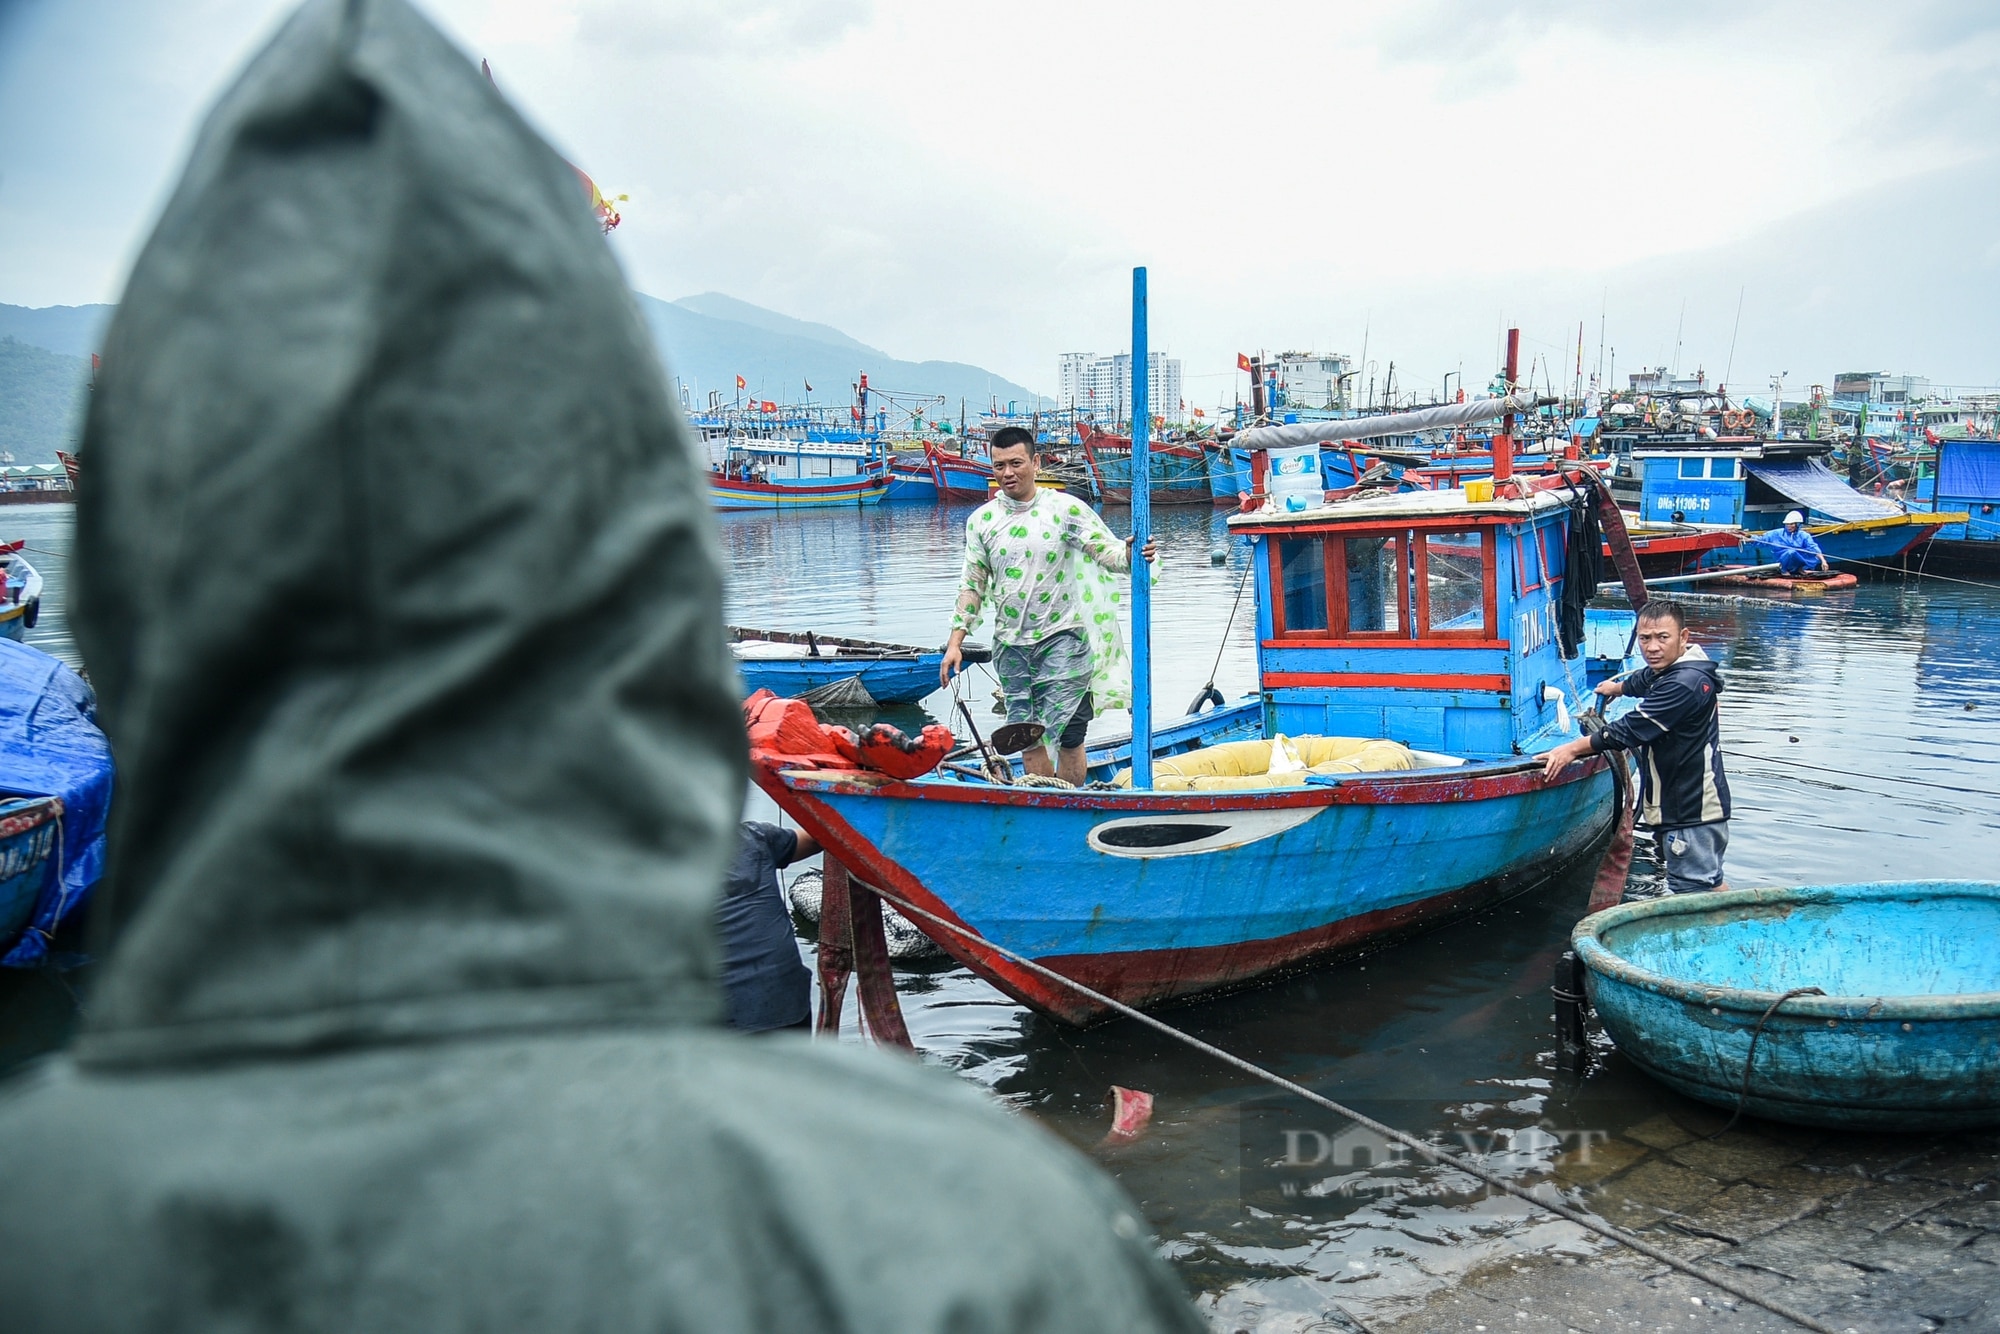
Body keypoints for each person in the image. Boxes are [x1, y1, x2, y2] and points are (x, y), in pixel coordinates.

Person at [0, 6, 1207, 1332]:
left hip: (1053, 653)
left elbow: (1100, 563)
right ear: (639, 586)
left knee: (1061, 751)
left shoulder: (37, 1226)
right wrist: (962, 638)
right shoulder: (963, 1236)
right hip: (951, 709)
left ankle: (1053, 791)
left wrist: (1093, 605)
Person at [940, 426, 1155, 786]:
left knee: (1071, 732)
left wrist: (1133, 554)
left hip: (1063, 639)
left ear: (1036, 463)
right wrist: (955, 643)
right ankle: (1043, 799)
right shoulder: (982, 521)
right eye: (998, 466)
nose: (1008, 473)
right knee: (1024, 733)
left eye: (1016, 463)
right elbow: (972, 584)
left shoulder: (1065, 509)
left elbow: (1109, 553)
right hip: (1011, 644)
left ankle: (1071, 801)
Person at [1540, 599, 1732, 895]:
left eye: (1662, 637)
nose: (1652, 647)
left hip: (1690, 811)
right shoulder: (1684, 666)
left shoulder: (1684, 684)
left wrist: (1571, 750)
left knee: (1692, 892)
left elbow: (1628, 730)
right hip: (1701, 805)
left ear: (1683, 637)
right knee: (1709, 881)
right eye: (1645, 638)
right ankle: (1740, 928)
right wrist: (1618, 688)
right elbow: (1647, 678)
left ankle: (1710, 939)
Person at [718, 821, 818, 1033]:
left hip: (773, 1011)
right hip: (784, 1009)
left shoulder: (752, 838)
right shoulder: (750, 837)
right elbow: (817, 836)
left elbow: (815, 838)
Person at [1762, 510, 1831, 576]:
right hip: (1781, 560)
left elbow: (1814, 548)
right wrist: (1751, 539)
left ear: (1797, 524)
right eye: (1787, 524)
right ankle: (1783, 570)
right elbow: (1762, 539)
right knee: (1791, 552)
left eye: (1791, 524)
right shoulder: (1777, 533)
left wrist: (1823, 561)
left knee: (1805, 554)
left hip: (1798, 559)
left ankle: (1799, 568)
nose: (1789, 526)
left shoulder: (1804, 535)